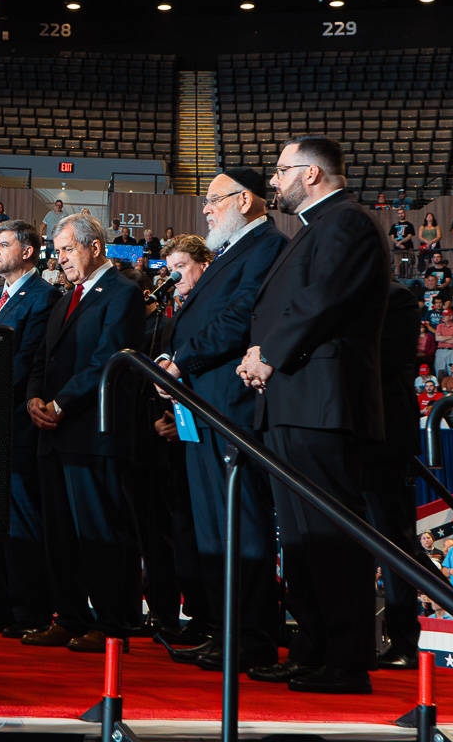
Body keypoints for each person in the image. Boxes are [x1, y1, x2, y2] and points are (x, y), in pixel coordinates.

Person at [235, 137, 387, 695]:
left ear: (313, 174)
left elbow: (322, 299)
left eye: (281, 171)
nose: (274, 181)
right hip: (293, 400)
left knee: (329, 536)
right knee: (300, 540)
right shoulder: (315, 226)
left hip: (321, 401)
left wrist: (268, 352)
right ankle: (312, 650)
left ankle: (345, 661)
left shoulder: (348, 222)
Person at [153, 170, 286, 674]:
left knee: (239, 526)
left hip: (229, 407)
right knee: (212, 528)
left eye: (213, 200)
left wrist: (181, 361)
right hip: (203, 405)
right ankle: (224, 631)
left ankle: (251, 638)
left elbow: (239, 317)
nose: (205, 209)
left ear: (244, 200)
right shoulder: (236, 248)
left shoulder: (266, 245)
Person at [22, 211, 142, 653]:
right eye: (57, 251)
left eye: (68, 250)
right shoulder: (64, 299)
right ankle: (69, 617)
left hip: (93, 433)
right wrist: (35, 398)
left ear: (95, 247)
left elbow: (108, 359)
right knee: (58, 534)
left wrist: (60, 404)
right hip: (53, 434)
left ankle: (112, 626)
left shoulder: (123, 293)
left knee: (99, 534)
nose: (61, 259)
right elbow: (42, 358)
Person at [0, 219, 60, 638]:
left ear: (28, 251)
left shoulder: (45, 297)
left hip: (17, 424)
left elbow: (28, 360)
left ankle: (29, 612)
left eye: (3, 245)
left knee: (21, 521)